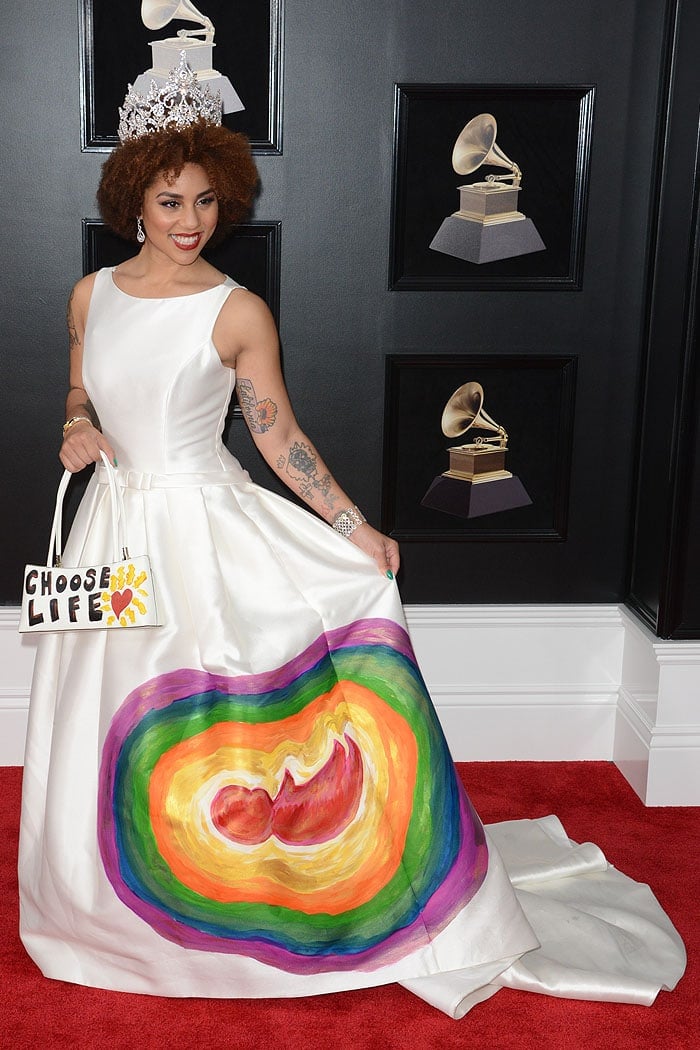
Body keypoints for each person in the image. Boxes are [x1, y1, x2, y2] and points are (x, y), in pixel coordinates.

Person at [18, 55, 685, 1017]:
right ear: (135, 195)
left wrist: (353, 526)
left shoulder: (235, 310)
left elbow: (277, 434)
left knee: (211, 719)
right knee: (103, 719)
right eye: (170, 199)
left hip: (201, 532)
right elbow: (80, 388)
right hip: (111, 532)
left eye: (206, 200)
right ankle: (105, 908)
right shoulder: (92, 294)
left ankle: (242, 898)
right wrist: (76, 426)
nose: (190, 220)